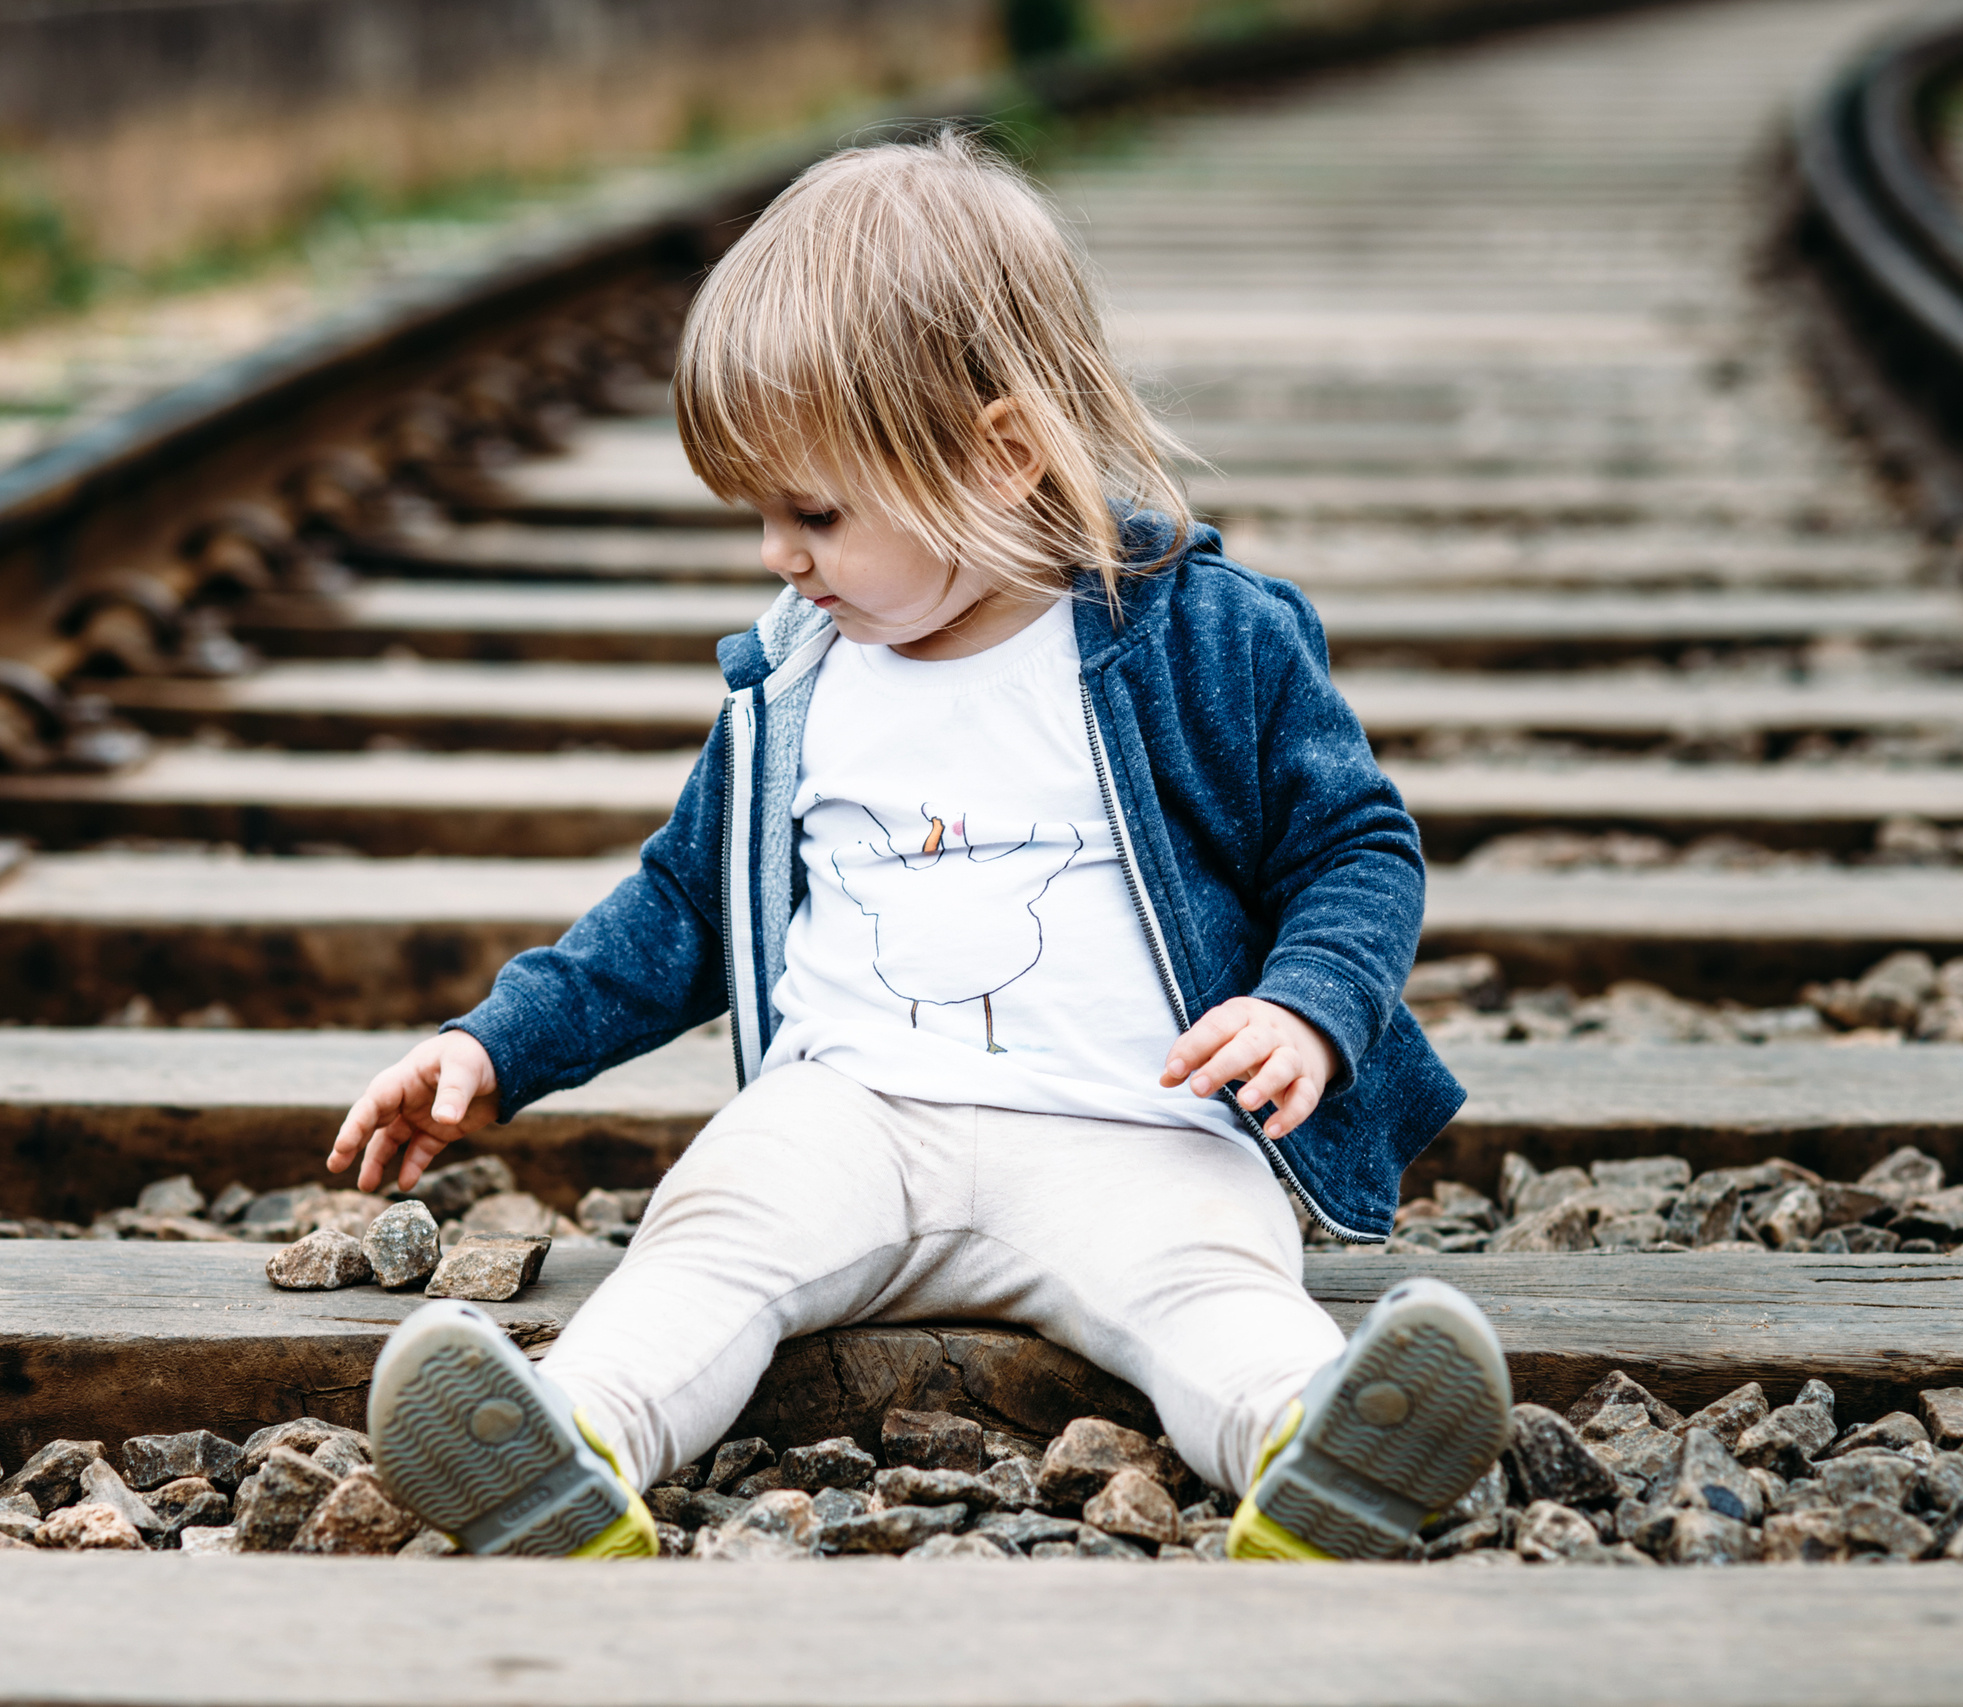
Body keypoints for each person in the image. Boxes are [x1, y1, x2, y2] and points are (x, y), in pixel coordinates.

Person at [326, 130, 1509, 1563]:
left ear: (1001, 456)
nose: (778, 554)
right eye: (759, 514)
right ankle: (572, 1444)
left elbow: (1358, 849)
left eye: (813, 511)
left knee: (1215, 1288)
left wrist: (1308, 1009)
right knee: (714, 1231)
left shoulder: (1201, 641)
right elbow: (681, 909)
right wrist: (500, 1045)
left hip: (1134, 1129)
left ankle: (1316, 1446)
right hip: (858, 1121)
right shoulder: (803, 676)